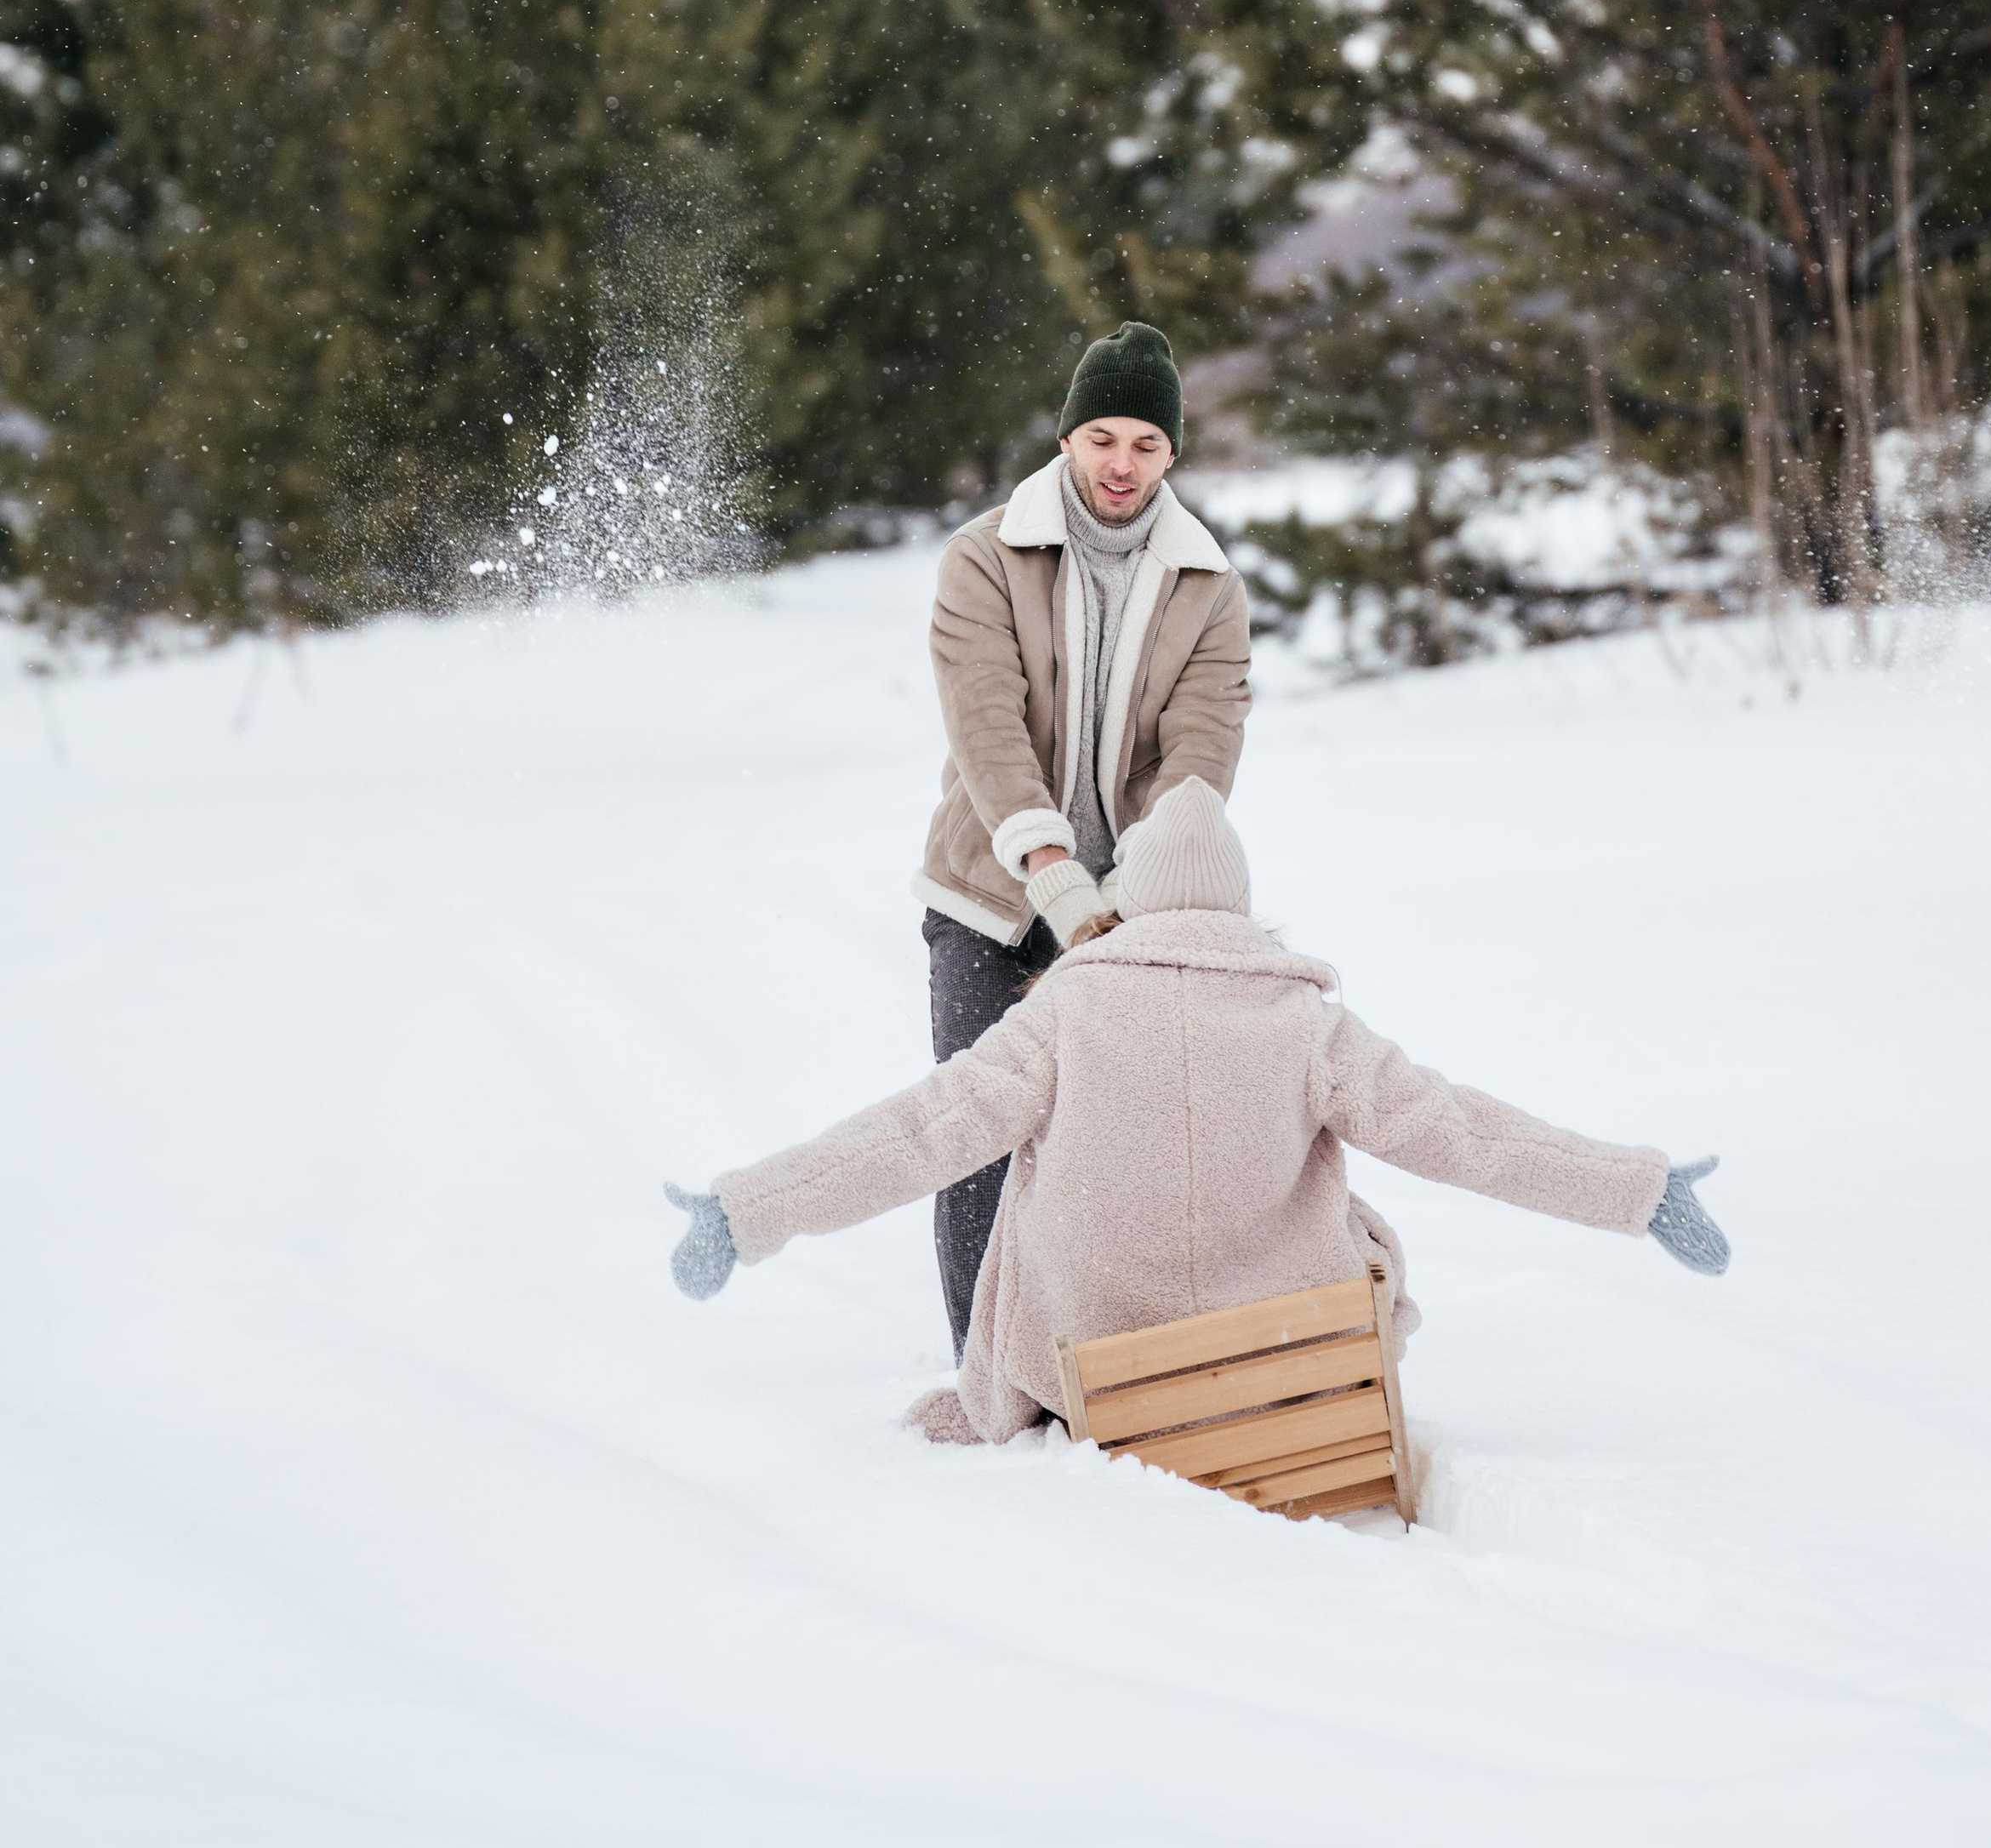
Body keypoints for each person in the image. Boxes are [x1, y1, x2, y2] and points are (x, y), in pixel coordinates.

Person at [663, 779, 1729, 1446]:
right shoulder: (1304, 1019)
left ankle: (1014, 1407)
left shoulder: (1064, 1014)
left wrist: (747, 1210)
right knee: (1362, 1233)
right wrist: (1634, 1190)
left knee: (1012, 1208)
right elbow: (1464, 1133)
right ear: (1236, 905)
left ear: (1127, 899)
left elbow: (914, 1134)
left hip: (1084, 1364)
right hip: (1289, 1358)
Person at [910, 320, 1250, 1353]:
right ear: (1067, 439)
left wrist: (1137, 891)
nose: (1121, 463)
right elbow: (986, 723)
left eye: (1146, 444)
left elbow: (1199, 750)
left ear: (1172, 456)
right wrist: (1050, 868)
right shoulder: (985, 558)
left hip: (1127, 916)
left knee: (1115, 1147)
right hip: (992, 895)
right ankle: (985, 1362)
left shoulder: (1207, 585)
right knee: (977, 1136)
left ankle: (1103, 1355)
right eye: (1103, 437)